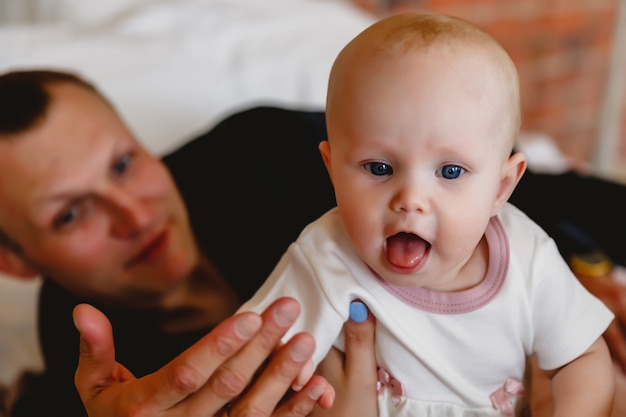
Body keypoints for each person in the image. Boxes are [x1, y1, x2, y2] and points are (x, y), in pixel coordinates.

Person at [238, 13, 615, 416]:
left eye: (450, 172)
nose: (411, 199)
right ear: (332, 170)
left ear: (501, 188)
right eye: (379, 168)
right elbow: (251, 355)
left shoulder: (529, 259)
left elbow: (582, 358)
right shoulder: (325, 258)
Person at [0, 70, 379, 417]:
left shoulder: (269, 151)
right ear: (13, 262)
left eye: (122, 164)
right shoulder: (98, 382)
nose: (136, 216)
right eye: (69, 214)